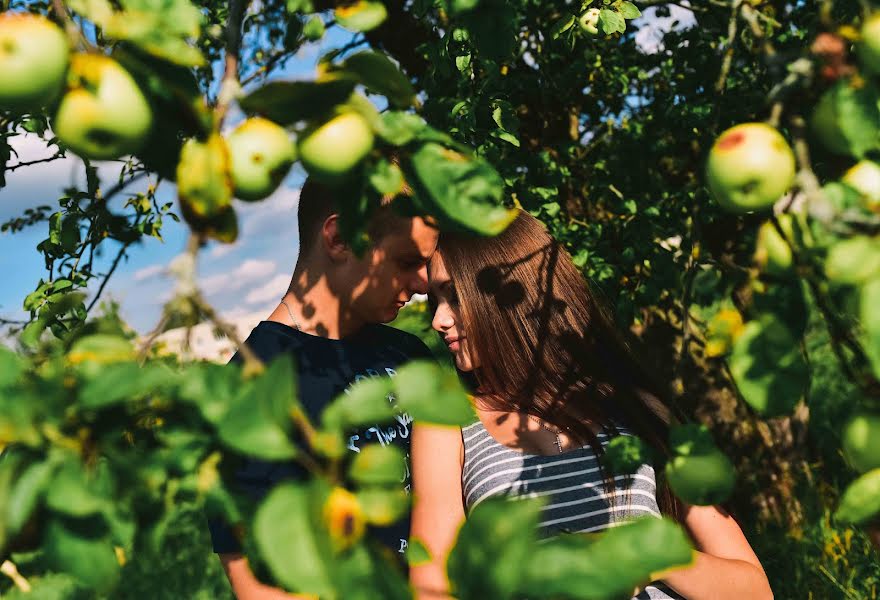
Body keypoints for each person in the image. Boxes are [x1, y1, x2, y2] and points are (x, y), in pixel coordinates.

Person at [410, 210, 773, 600]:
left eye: (454, 296)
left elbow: (754, 590)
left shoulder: (632, 404)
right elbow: (433, 588)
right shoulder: (447, 423)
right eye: (435, 300)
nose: (438, 320)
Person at [210, 178, 439, 600]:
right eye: (407, 261)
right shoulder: (249, 394)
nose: (425, 282)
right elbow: (261, 589)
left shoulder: (410, 355)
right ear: (338, 238)